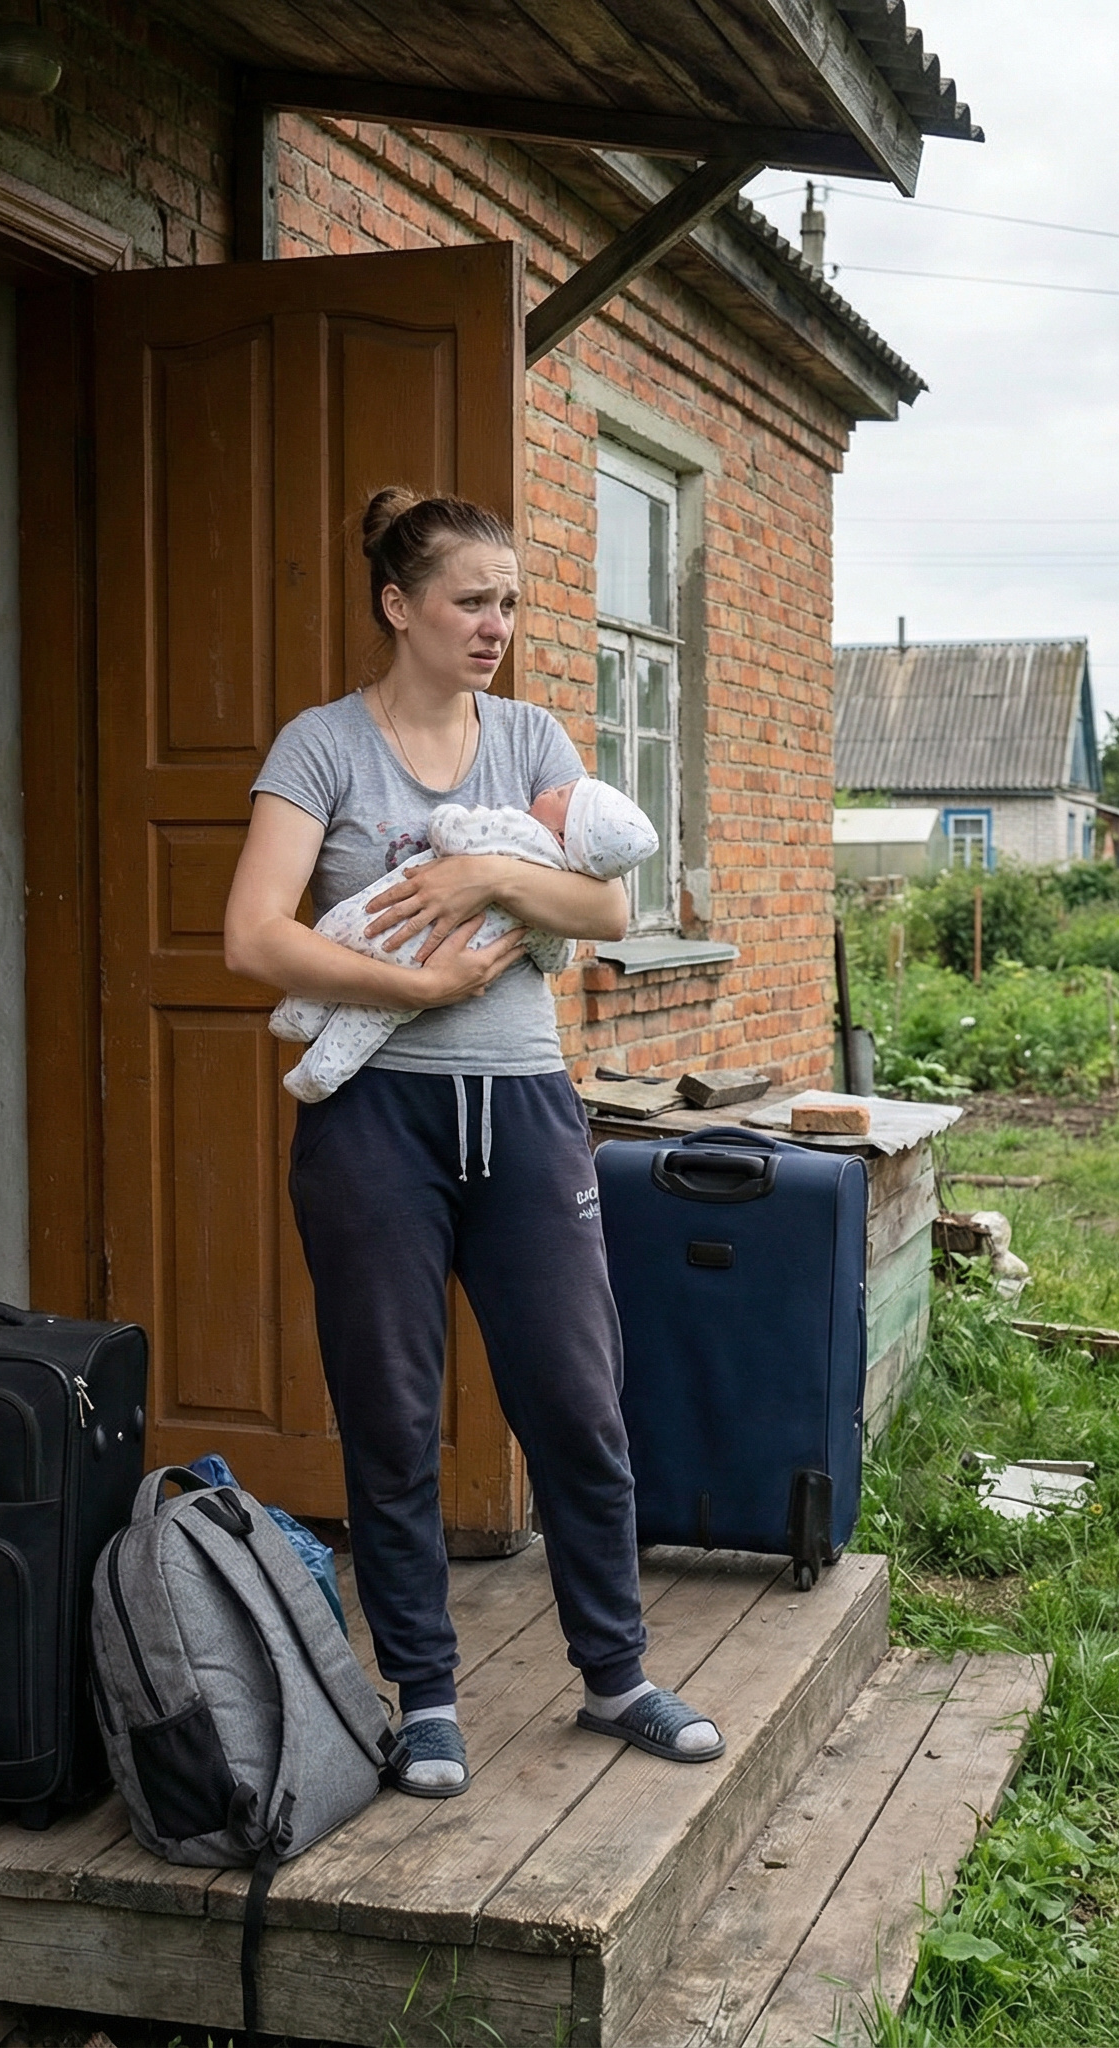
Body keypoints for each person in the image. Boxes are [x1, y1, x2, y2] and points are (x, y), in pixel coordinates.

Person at [222, 488, 722, 1796]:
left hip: (526, 1107)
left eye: (508, 599)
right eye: (470, 600)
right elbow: (255, 935)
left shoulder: (533, 737)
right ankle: (426, 1694)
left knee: (574, 1397)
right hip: (374, 1121)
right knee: (390, 1415)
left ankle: (615, 1674)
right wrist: (419, 990)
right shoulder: (322, 747)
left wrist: (492, 877)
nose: (496, 623)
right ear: (402, 606)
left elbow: (606, 899)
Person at [269, 776, 658, 1104]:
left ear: (563, 834)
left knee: (339, 938)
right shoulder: (555, 895)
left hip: (387, 921)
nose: (553, 788)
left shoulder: (518, 830)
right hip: (439, 963)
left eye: (562, 797)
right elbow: (556, 955)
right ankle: (318, 1076)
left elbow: (448, 833)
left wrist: (453, 818)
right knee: (369, 1019)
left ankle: (298, 1014)